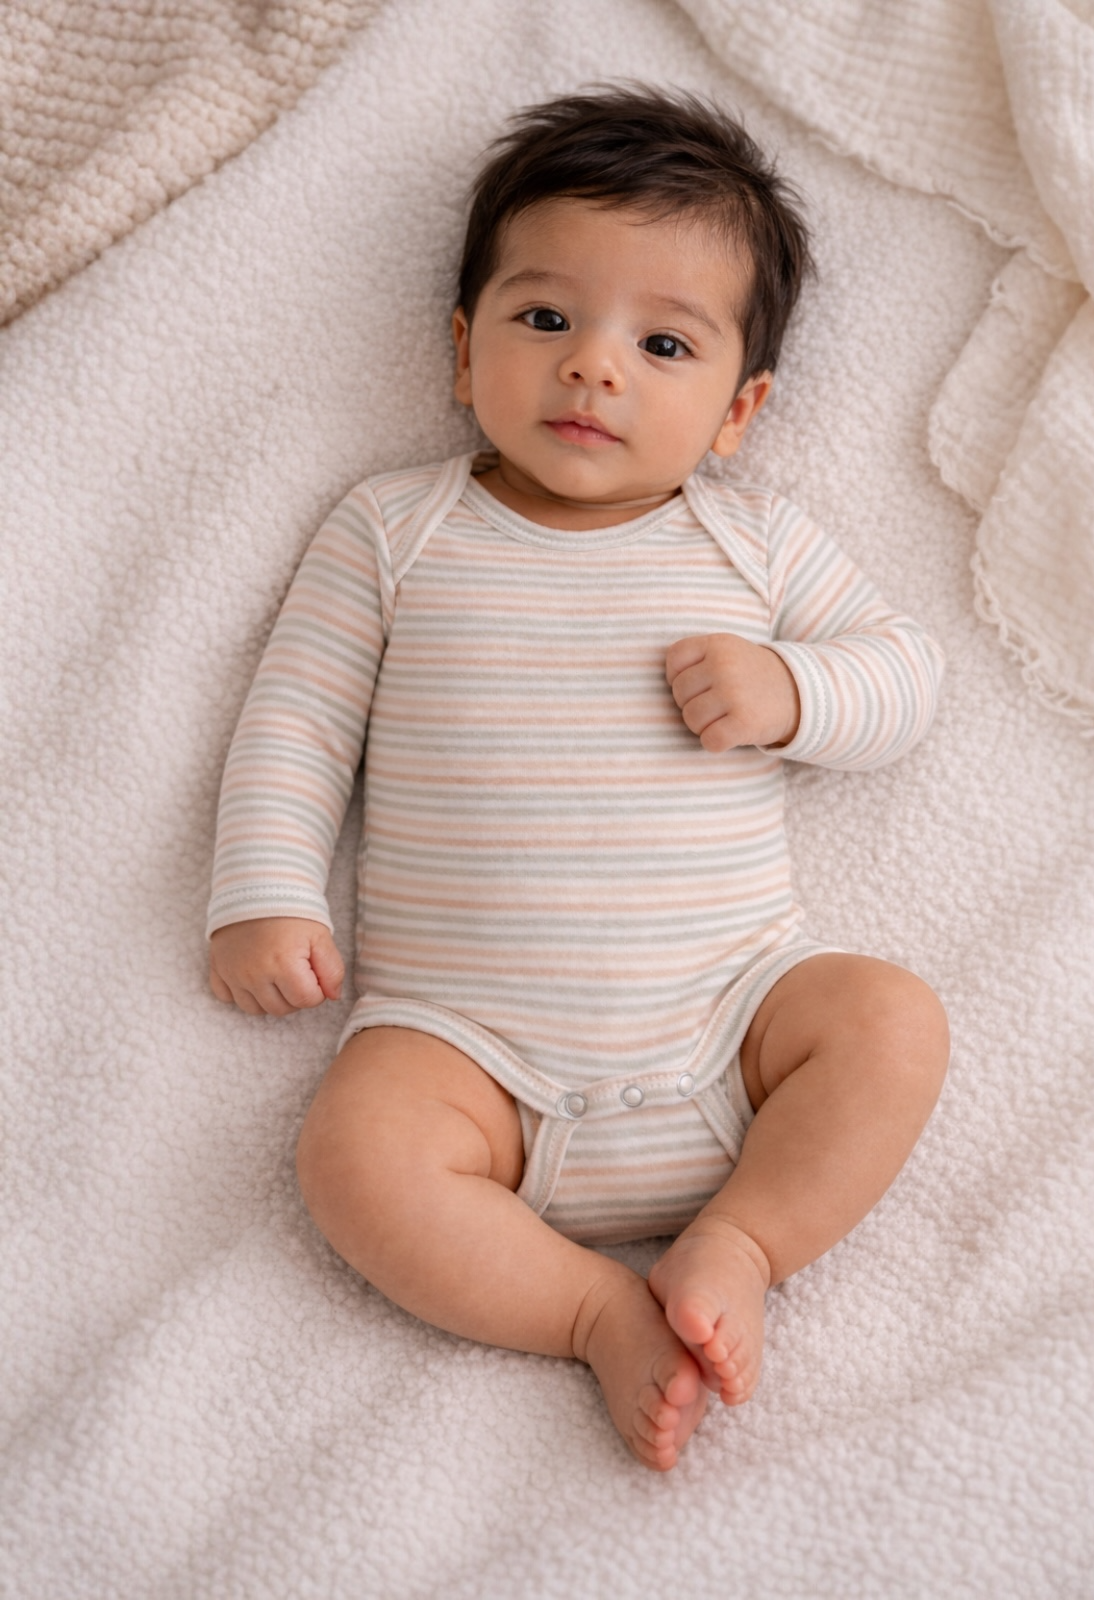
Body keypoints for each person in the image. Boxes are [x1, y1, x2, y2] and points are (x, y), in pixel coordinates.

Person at [207, 86, 950, 1471]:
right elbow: (297, 719)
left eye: (662, 343)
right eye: (546, 318)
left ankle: (740, 1240)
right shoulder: (394, 530)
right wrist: (263, 892)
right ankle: (594, 1312)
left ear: (740, 410)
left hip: (734, 1021)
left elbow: (908, 674)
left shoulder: (754, 544)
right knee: (352, 1158)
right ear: (460, 346)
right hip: (470, 1056)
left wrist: (797, 690)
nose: (593, 368)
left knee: (890, 1023)